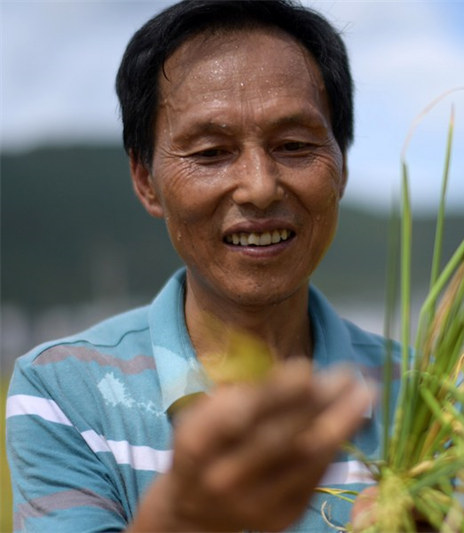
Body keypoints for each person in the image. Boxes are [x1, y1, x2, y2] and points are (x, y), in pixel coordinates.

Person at [5, 1, 401, 531]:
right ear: (146, 180)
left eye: (295, 145)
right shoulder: (63, 392)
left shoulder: (428, 397)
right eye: (212, 152)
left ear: (342, 165)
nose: (260, 187)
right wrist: (184, 518)